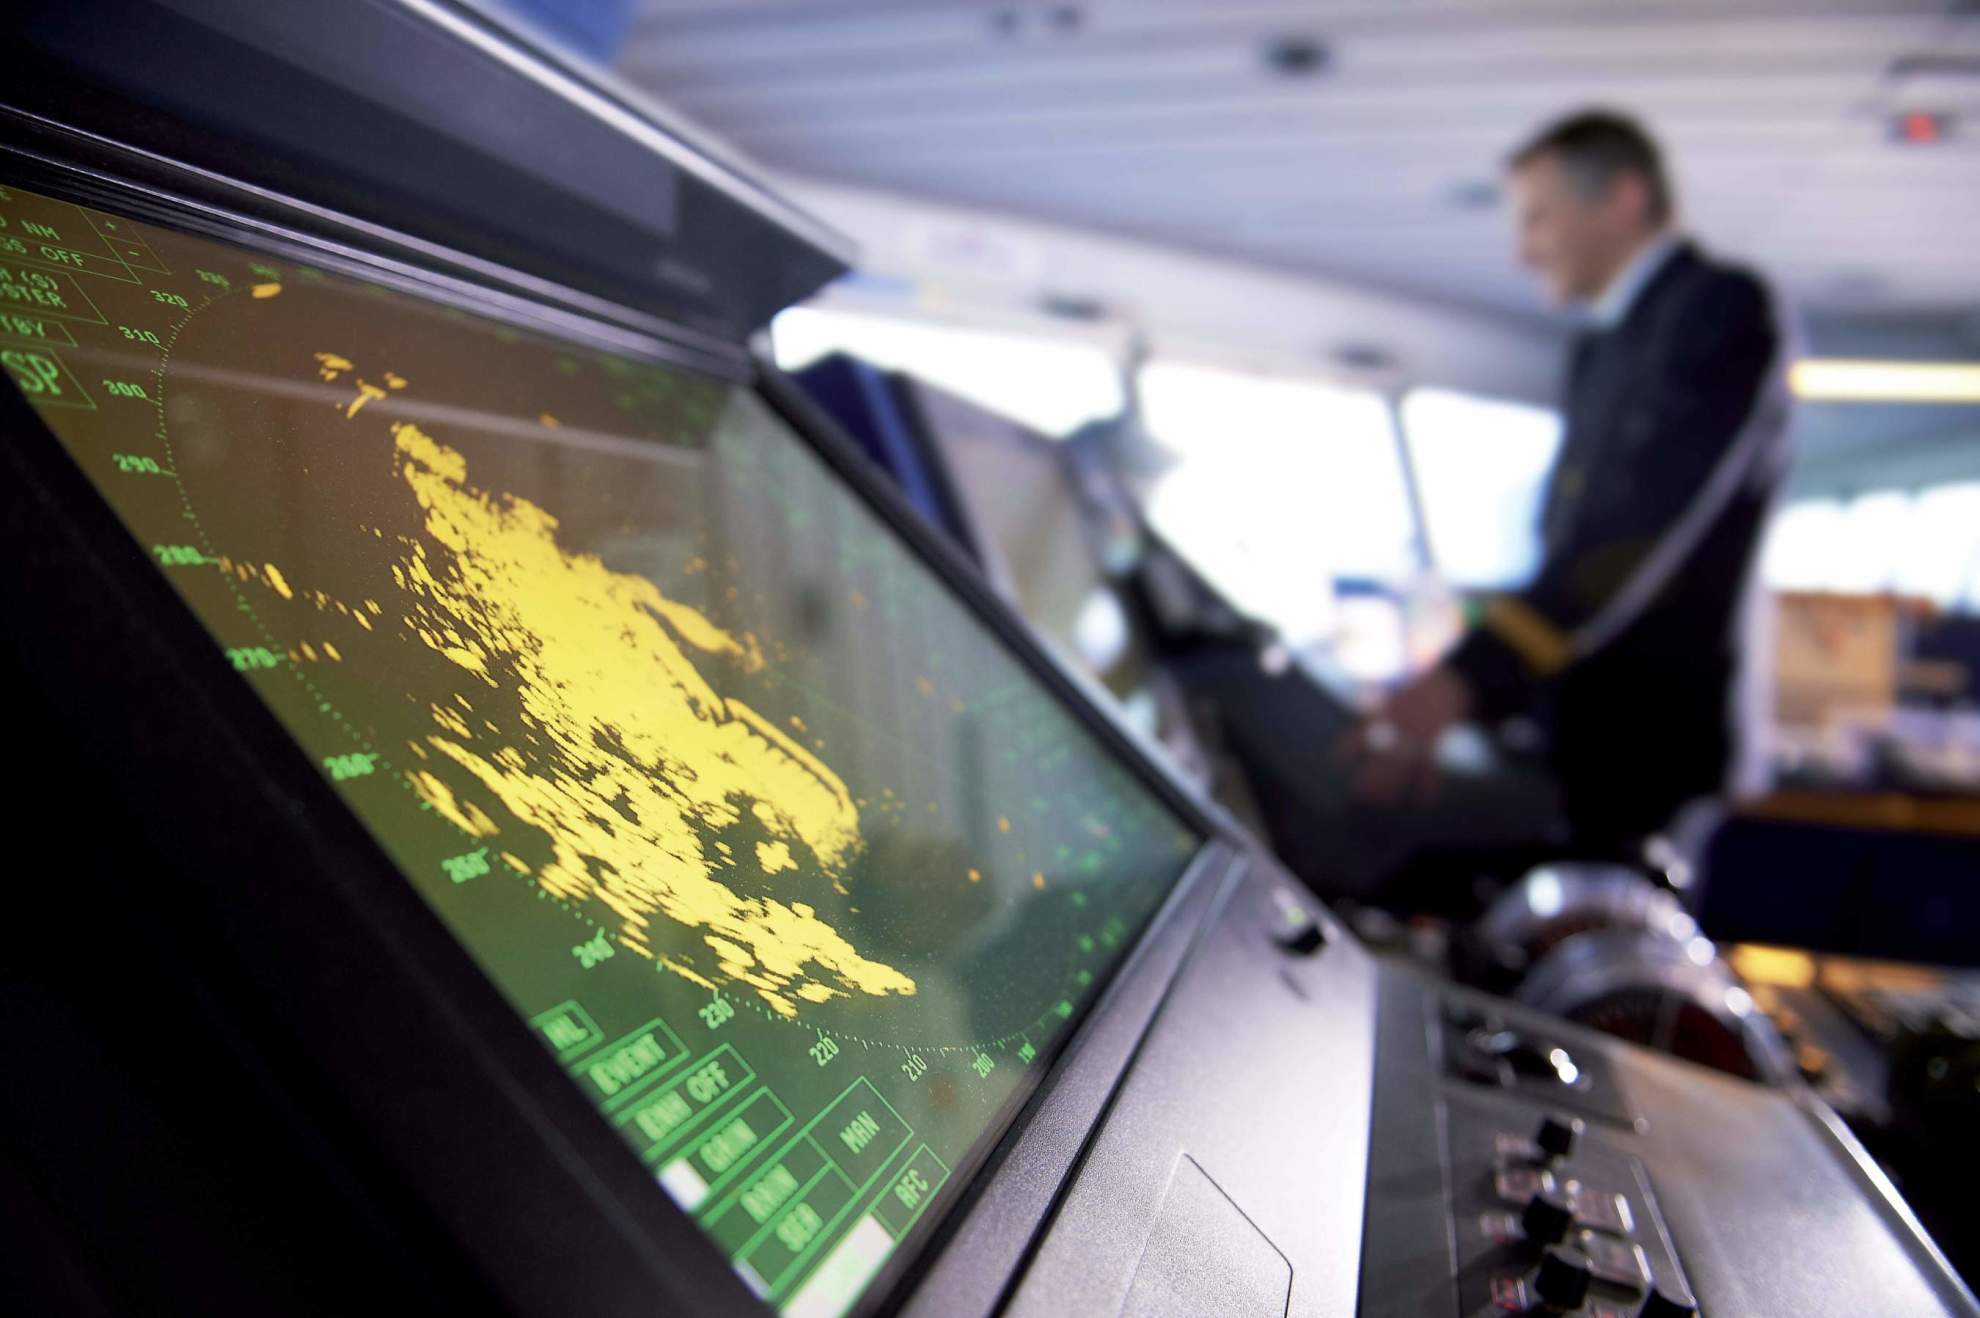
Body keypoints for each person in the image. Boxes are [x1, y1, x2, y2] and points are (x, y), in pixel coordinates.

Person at [1347, 109, 1794, 869]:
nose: (1524, 253)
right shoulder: (1600, 345)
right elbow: (1571, 540)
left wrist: (1468, 679)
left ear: (1620, 200)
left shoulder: (1718, 306)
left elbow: (1636, 532)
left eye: (1538, 219)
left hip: (1650, 752)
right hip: (1576, 740)